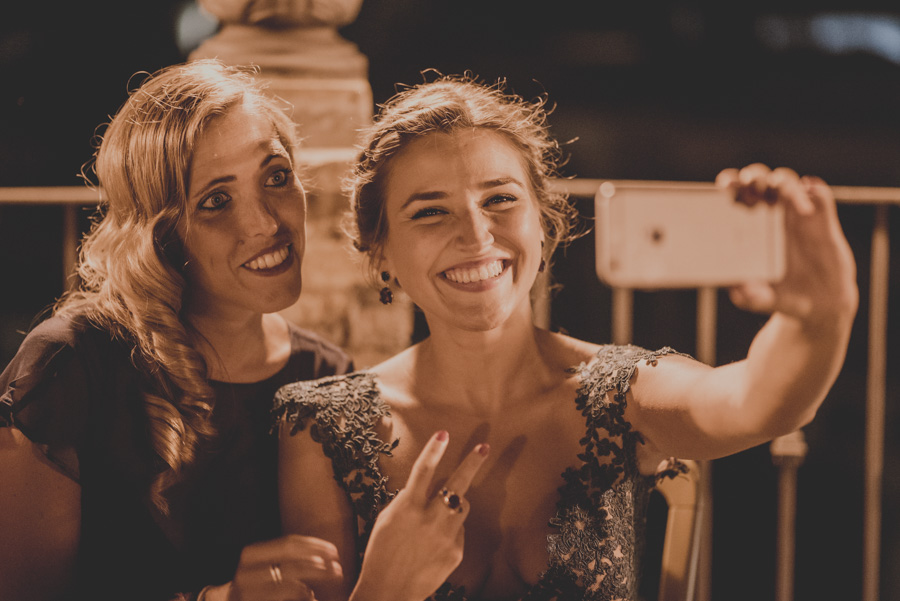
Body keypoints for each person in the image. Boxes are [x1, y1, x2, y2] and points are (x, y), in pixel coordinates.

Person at [273, 74, 859, 601]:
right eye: (431, 212)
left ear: (545, 226)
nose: (477, 234)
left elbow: (757, 403)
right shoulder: (322, 430)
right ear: (382, 258)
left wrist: (820, 314)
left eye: (500, 199)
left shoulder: (619, 392)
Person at [0, 59, 352, 601]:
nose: (266, 224)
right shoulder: (69, 363)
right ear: (159, 235)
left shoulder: (327, 374)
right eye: (216, 201)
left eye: (277, 177)